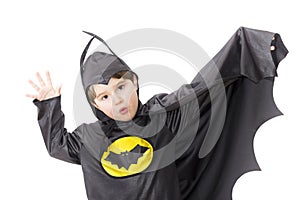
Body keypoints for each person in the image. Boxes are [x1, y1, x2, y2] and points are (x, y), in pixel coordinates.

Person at [26, 27, 288, 200]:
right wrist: (49, 106)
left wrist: (249, 47)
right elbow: (56, 145)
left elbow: (203, 87)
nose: (117, 100)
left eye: (121, 87)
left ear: (135, 83)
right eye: (105, 96)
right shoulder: (88, 138)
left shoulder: (161, 115)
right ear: (95, 104)